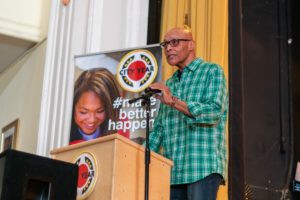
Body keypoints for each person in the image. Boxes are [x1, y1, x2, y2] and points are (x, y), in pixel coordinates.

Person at [148, 26, 228, 200]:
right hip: (173, 172)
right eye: (165, 44)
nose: (168, 48)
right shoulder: (169, 84)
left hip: (201, 167)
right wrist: (137, 157)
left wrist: (174, 102)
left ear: (191, 45)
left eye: (174, 42)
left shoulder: (212, 71)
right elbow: (159, 130)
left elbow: (214, 112)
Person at [69, 68, 129, 145]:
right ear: (73, 106)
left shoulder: (119, 123)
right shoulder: (63, 132)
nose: (92, 120)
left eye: (100, 111)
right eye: (83, 112)